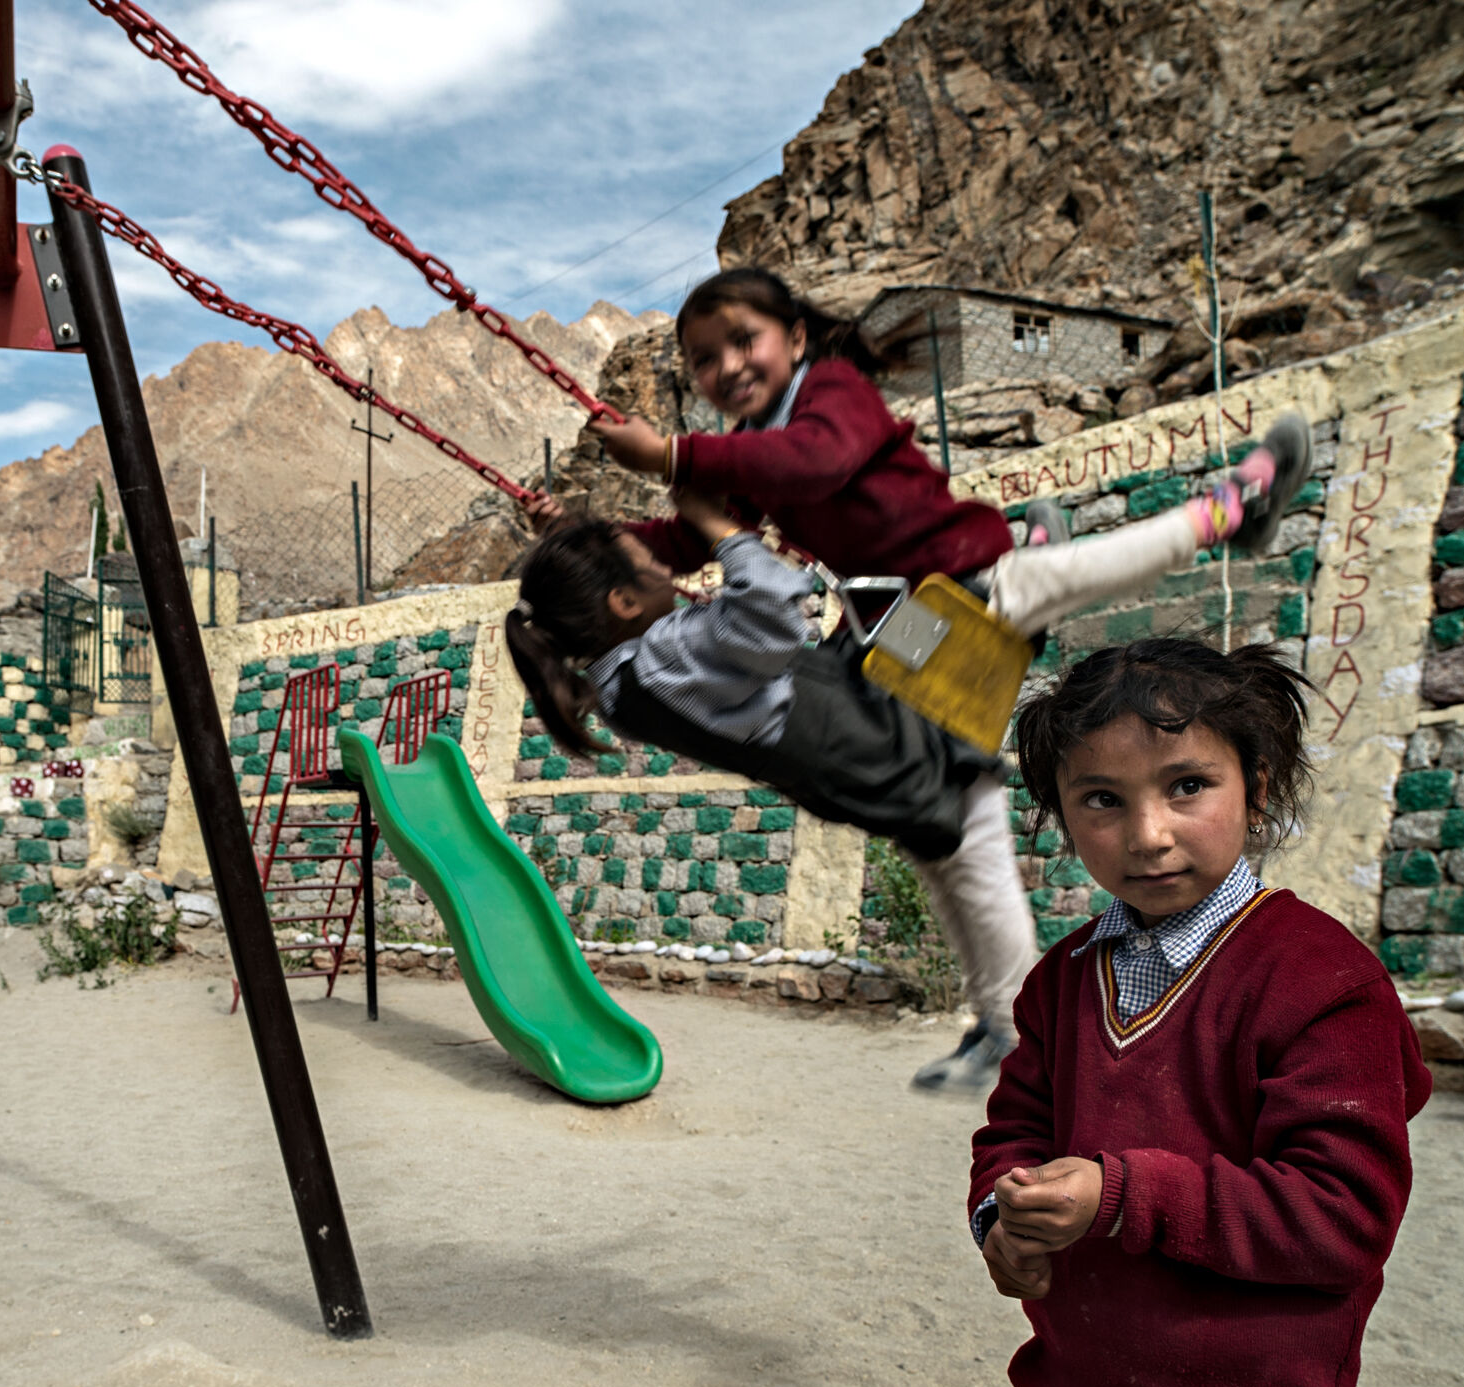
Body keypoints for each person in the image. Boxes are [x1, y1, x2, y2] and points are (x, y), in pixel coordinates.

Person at [528, 264, 1308, 1089]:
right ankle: (1008, 1019)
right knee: (953, 829)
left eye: (742, 342)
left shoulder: (832, 397)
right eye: (705, 360)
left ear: (795, 339)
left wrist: (678, 453)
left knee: (1067, 582)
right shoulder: (753, 458)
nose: (727, 369)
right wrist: (585, 534)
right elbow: (688, 541)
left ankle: (1227, 511)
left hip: (952, 571)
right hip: (898, 622)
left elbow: (813, 464)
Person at [970, 638, 1427, 1387]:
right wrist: (1003, 1220)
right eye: (1101, 800)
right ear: (1061, 816)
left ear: (1256, 788)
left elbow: (1341, 1213)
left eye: (1187, 786)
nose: (1147, 834)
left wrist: (1126, 1195)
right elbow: (1014, 1127)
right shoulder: (1064, 981)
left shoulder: (1318, 979)